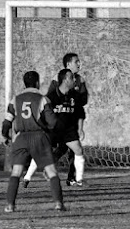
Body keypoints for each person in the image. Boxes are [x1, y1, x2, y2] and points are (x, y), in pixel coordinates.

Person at [2, 71, 66, 212]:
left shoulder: (15, 99)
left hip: (21, 138)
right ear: (37, 83)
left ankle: (10, 205)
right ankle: (58, 203)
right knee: (51, 172)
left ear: (24, 83)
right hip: (39, 137)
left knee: (16, 172)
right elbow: (52, 122)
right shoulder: (43, 99)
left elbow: (7, 122)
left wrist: (6, 136)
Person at [24, 53, 88, 187]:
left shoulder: (80, 79)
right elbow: (50, 100)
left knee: (72, 149)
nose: (79, 64)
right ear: (68, 64)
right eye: (76, 62)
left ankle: (73, 178)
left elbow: (83, 100)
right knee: (60, 148)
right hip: (58, 123)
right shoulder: (58, 79)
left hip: (71, 120)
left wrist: (76, 98)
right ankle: (37, 172)